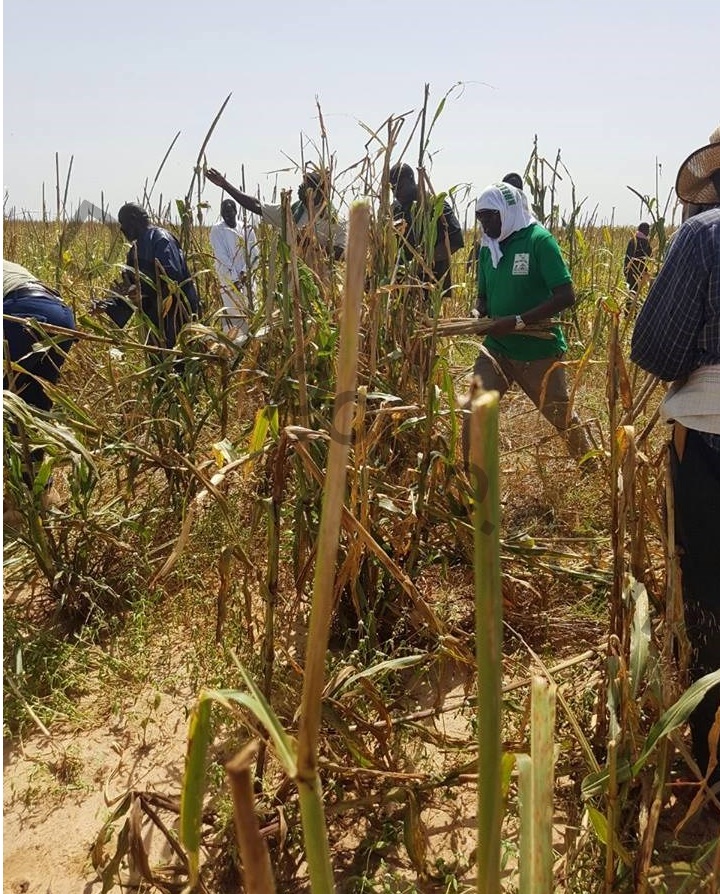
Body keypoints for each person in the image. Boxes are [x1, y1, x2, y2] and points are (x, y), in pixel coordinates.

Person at [631, 125, 720, 792]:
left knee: (711, 599)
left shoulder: (703, 236)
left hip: (711, 441)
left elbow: (658, 349)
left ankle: (715, 766)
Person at [463, 182, 594, 467]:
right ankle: (468, 481)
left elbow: (566, 294)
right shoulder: (488, 248)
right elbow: (483, 297)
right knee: (473, 411)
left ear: (507, 212)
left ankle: (594, 469)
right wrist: (477, 313)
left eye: (490, 216)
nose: (484, 224)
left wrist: (519, 321)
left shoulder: (538, 241)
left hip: (537, 349)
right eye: (480, 217)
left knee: (562, 417)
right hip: (497, 348)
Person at [3, 260, 77, 496]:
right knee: (29, 404)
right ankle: (37, 493)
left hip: (22, 314)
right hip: (61, 316)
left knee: (9, 406)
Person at [95, 203, 200, 351]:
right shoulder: (134, 251)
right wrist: (108, 305)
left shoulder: (161, 239)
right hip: (154, 319)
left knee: (178, 361)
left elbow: (172, 278)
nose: (122, 230)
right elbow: (131, 289)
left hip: (176, 315)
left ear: (133, 220)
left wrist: (141, 292)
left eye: (123, 223)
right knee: (158, 360)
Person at [205, 166, 346, 260]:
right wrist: (224, 185)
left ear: (321, 192)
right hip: (293, 285)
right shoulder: (292, 213)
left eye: (309, 185)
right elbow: (256, 205)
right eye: (304, 183)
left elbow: (340, 254)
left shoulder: (334, 220)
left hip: (320, 288)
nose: (303, 188)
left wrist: (310, 246)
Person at [388, 162, 464, 295]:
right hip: (401, 287)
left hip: (431, 285)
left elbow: (456, 240)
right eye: (392, 189)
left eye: (399, 187)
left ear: (412, 180)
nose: (396, 193)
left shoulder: (435, 205)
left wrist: (424, 262)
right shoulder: (395, 209)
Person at [209, 198, 257, 343]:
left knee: (252, 311)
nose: (227, 215)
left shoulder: (247, 228)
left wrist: (244, 274)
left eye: (229, 211)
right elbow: (221, 256)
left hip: (248, 279)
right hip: (228, 279)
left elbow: (254, 253)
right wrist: (235, 279)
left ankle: (253, 347)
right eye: (224, 212)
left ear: (236, 211)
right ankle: (234, 350)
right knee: (234, 315)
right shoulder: (217, 230)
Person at [623, 222, 652, 293]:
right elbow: (650, 255)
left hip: (629, 269)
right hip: (639, 271)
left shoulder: (632, 240)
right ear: (645, 230)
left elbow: (627, 256)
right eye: (648, 230)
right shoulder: (645, 242)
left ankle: (629, 303)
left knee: (630, 289)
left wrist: (625, 268)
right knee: (635, 291)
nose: (648, 232)